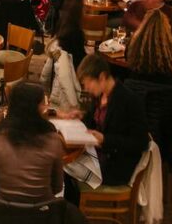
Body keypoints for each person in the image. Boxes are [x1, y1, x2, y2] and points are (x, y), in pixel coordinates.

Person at [62, 55, 149, 188]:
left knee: (63, 167)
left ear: (102, 77)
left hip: (116, 165)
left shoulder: (129, 101)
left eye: (87, 83)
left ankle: (73, 204)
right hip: (98, 154)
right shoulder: (100, 95)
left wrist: (105, 140)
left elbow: (140, 142)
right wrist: (81, 116)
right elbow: (95, 121)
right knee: (61, 164)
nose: (86, 89)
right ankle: (70, 203)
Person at [0, 82, 64, 203]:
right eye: (43, 103)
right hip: (43, 212)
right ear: (35, 108)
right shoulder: (54, 140)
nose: (46, 107)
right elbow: (57, 187)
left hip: (4, 211)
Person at [54, 0, 87, 70]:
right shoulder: (76, 33)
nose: (85, 11)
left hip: (62, 66)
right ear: (78, 13)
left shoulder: (61, 25)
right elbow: (80, 58)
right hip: (74, 69)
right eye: (83, 9)